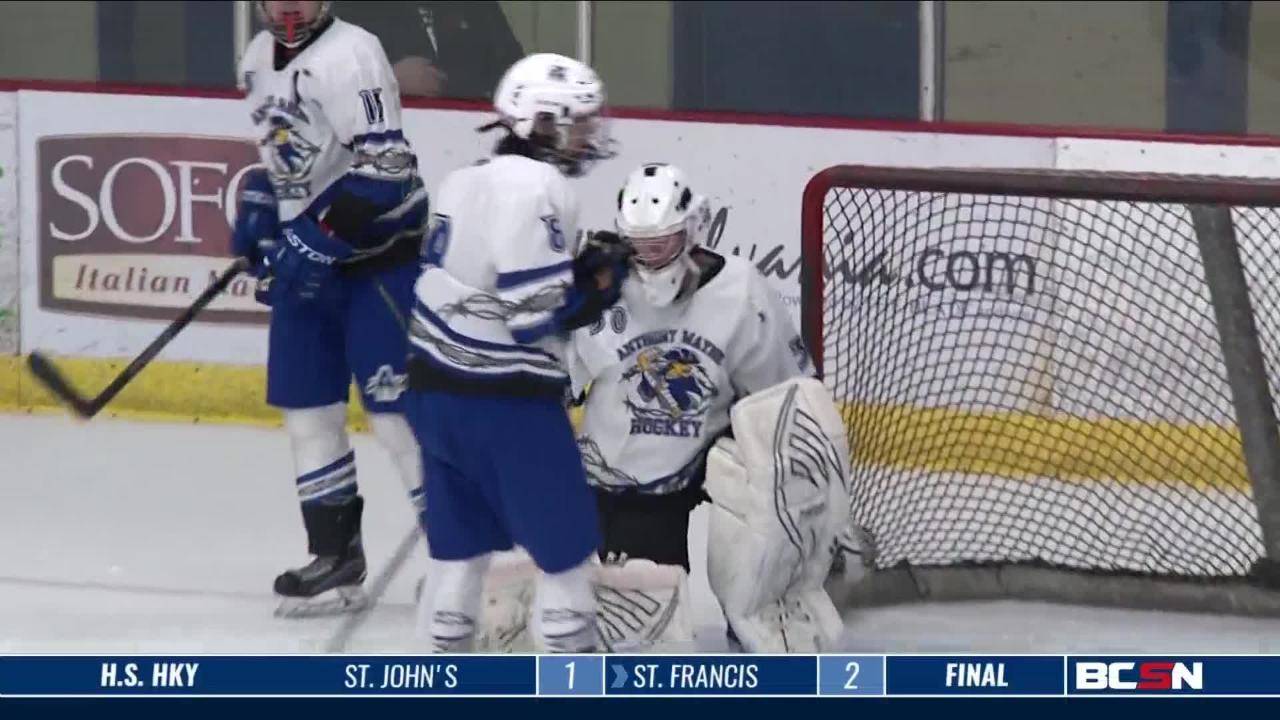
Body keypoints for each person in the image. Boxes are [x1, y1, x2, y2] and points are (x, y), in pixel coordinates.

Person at [567, 164, 854, 652]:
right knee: (645, 623)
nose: (650, 257)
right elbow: (557, 377)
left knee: (773, 488)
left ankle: (766, 606)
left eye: (663, 243)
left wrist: (815, 508)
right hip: (631, 470)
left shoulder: (739, 289)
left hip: (714, 444)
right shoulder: (600, 286)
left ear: (693, 229)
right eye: (639, 244)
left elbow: (787, 399)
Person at [403, 52, 627, 653]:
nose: (590, 136)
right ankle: (570, 680)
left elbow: (475, 278)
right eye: (580, 122)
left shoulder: (463, 178)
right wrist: (598, 286)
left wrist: (575, 274)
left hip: (432, 393)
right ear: (542, 121)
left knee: (460, 555)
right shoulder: (540, 186)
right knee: (565, 557)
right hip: (504, 405)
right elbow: (532, 317)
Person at [232, 0, 428, 617]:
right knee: (308, 416)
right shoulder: (256, 58)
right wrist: (264, 202)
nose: (289, 5)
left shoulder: (352, 53)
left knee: (397, 420)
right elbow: (290, 160)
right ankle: (336, 556)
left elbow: (388, 171)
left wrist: (313, 236)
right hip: (309, 268)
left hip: (378, 264)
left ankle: (460, 558)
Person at [335, 1, 524, 98]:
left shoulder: (476, 6)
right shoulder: (348, 7)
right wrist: (387, 79)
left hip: (466, 136)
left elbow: (515, 73)